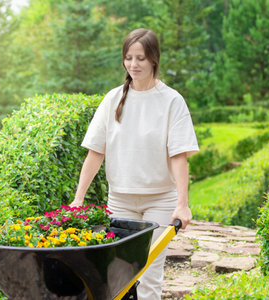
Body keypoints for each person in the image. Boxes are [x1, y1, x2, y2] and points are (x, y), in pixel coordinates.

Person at [69, 28, 199, 300]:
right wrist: (78, 198)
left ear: (153, 59)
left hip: (160, 201)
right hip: (120, 202)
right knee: (119, 277)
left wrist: (182, 203)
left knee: (150, 277)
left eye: (140, 58)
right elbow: (95, 152)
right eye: (128, 58)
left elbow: (179, 156)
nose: (134, 64)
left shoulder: (171, 101)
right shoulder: (112, 99)